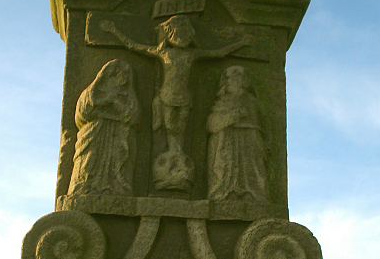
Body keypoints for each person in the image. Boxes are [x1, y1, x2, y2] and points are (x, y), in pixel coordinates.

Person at [100, 15, 249, 191]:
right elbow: (133, 46)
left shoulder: (191, 54)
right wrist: (113, 31)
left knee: (181, 130)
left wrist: (240, 43)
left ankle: (178, 158)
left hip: (184, 98)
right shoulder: (164, 53)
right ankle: (172, 160)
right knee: (170, 127)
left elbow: (218, 53)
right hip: (167, 96)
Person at [67, 59, 140, 196]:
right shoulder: (93, 91)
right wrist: (106, 100)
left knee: (119, 162)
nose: (121, 77)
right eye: (116, 73)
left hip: (119, 133)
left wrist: (116, 102)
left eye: (125, 74)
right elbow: (83, 112)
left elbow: (133, 117)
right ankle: (84, 186)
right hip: (95, 131)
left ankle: (117, 189)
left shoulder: (128, 96)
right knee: (89, 160)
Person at [207, 66, 270, 202]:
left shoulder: (253, 102)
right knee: (226, 167)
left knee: (251, 169)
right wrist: (232, 117)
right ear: (226, 81)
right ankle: (226, 192)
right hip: (227, 139)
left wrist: (266, 142)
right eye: (234, 77)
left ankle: (252, 193)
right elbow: (212, 124)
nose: (239, 80)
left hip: (250, 139)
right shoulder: (223, 101)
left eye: (241, 77)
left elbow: (264, 124)